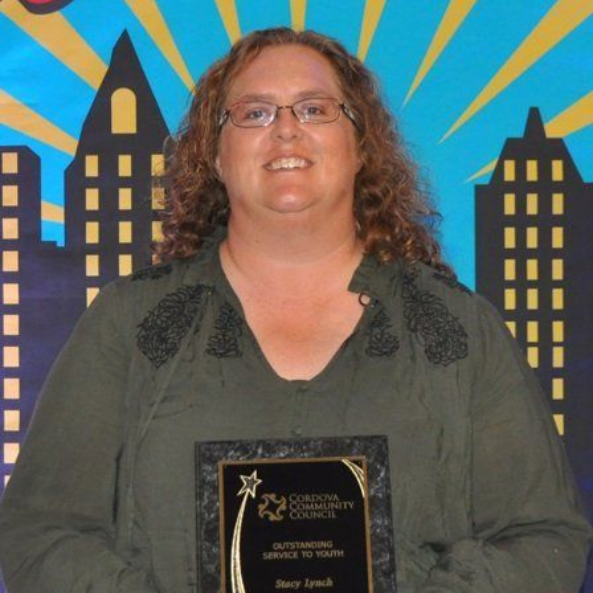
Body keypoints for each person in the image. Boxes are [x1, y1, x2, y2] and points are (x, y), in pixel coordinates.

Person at [0, 27, 590, 593]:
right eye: (255, 113)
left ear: (361, 147)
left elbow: (540, 537)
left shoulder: (458, 329)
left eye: (314, 109)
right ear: (215, 154)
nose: (286, 130)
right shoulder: (130, 324)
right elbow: (42, 532)